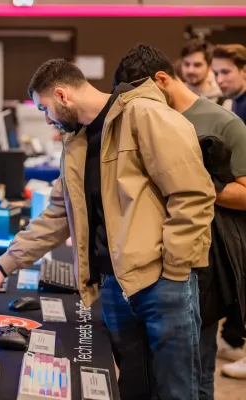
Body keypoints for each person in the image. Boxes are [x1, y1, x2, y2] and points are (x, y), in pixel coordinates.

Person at [0, 58, 216, 400]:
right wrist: (2, 265)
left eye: (44, 108)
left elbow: (192, 194)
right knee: (134, 388)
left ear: (62, 95)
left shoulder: (146, 115)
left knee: (177, 390)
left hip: (162, 283)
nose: (47, 119)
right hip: (115, 285)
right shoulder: (77, 142)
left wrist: (174, 268)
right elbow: (57, 215)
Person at [113, 43, 246, 398]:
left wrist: (191, 182)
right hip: (155, 260)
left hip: (206, 259)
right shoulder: (146, 118)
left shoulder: (224, 123)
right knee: (161, 370)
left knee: (197, 369)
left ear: (161, 80)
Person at [180, 39, 225, 104]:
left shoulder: (223, 100)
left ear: (210, 67)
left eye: (197, 65)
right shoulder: (173, 95)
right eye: (186, 64)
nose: (190, 70)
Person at [212, 44, 246, 122]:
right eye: (216, 74)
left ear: (244, 71)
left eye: (225, 72)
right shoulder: (236, 99)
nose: (219, 80)